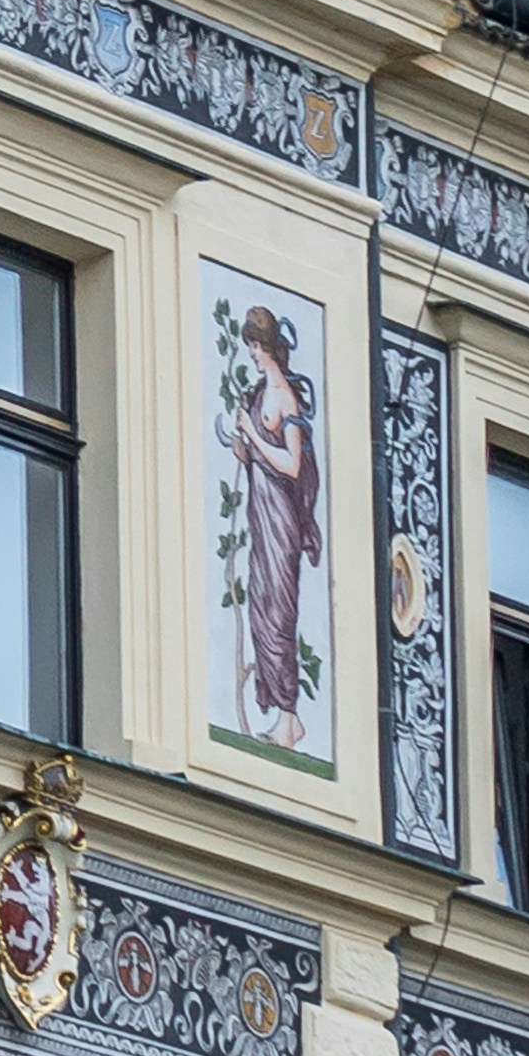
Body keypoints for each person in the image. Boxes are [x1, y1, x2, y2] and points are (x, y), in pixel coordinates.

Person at [221, 289, 323, 738]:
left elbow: (292, 464)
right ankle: (284, 716)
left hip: (282, 519)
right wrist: (239, 442)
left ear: (267, 347)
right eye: (249, 346)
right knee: (260, 601)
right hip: (261, 515)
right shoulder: (258, 391)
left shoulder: (283, 398)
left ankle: (290, 719)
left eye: (255, 346)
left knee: (279, 608)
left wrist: (255, 438)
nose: (252, 354)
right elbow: (256, 459)